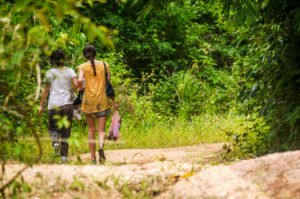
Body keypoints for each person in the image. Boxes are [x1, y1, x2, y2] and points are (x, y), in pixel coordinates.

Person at [78, 45, 117, 164]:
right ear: (95, 54)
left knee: (91, 130)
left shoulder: (82, 67)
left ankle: (93, 159)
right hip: (102, 101)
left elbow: (79, 81)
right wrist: (113, 101)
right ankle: (100, 147)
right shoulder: (105, 65)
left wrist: (80, 88)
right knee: (101, 130)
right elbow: (108, 83)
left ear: (84, 55)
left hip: (88, 102)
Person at [39, 49, 78, 163]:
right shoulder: (70, 71)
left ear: (53, 60)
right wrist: (72, 90)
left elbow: (46, 90)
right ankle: (64, 157)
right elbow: (76, 84)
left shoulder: (50, 73)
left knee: (53, 128)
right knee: (66, 131)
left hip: (54, 104)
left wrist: (41, 105)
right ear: (63, 59)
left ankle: (55, 142)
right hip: (67, 104)